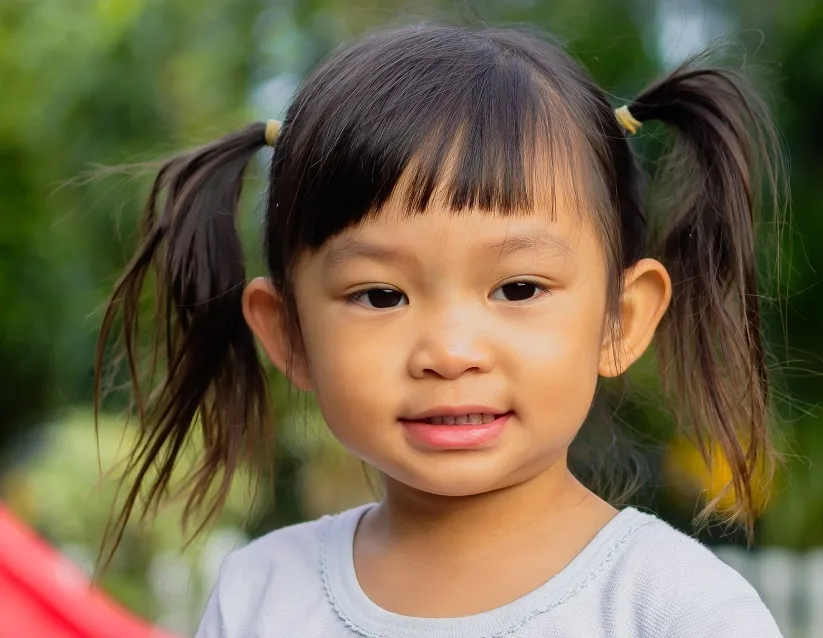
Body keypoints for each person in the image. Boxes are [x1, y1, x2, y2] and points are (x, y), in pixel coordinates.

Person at [95, 23, 786, 637]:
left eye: (518, 288)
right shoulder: (262, 594)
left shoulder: (674, 609)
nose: (450, 353)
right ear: (290, 335)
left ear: (621, 320)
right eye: (380, 295)